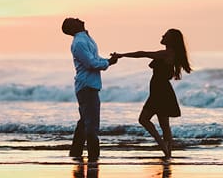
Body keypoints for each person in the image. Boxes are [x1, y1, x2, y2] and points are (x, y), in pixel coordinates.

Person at [113, 28, 191, 158]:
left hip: (160, 91)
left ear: (171, 40)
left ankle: (163, 146)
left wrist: (122, 55)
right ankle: (168, 154)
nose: (162, 36)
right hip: (161, 90)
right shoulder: (170, 53)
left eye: (166, 35)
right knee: (164, 125)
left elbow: (143, 53)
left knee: (144, 119)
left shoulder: (166, 53)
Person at [62, 17, 118, 161]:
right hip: (87, 86)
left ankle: (76, 153)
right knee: (92, 124)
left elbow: (95, 59)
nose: (77, 19)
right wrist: (108, 63)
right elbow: (91, 63)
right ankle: (93, 157)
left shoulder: (85, 39)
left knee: (84, 122)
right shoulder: (79, 42)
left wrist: (108, 61)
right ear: (72, 28)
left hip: (88, 85)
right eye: (73, 20)